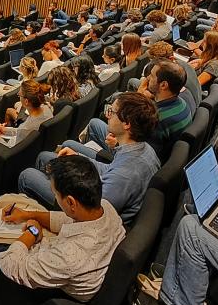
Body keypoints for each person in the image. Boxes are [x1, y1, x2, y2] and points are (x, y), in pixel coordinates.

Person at [0, 156, 126, 305]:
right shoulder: (104, 208)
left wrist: (32, 233)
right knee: (0, 205)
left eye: (56, 194)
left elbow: (11, 265)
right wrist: (28, 215)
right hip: (65, 260)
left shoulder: (70, 256)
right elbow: (65, 219)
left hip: (43, 288)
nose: (55, 199)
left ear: (71, 202)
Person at [19, 92, 160, 222]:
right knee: (45, 157)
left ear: (127, 124)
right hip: (97, 196)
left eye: (113, 112)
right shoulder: (144, 149)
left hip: (88, 214)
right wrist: (78, 158)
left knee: (27, 175)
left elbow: (91, 214)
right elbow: (110, 169)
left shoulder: (125, 176)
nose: (108, 115)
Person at [77, 61, 191, 159]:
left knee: (93, 124)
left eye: (151, 76)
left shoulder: (157, 120)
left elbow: (142, 156)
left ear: (163, 85)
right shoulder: (183, 104)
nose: (147, 78)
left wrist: (116, 144)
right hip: (149, 153)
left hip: (129, 161)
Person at [0, 80, 54, 145]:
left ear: (26, 101)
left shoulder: (28, 126)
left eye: (19, 95)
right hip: (25, 141)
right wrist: (5, 130)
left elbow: (12, 148)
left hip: (7, 148)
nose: (18, 96)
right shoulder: (47, 108)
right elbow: (20, 132)